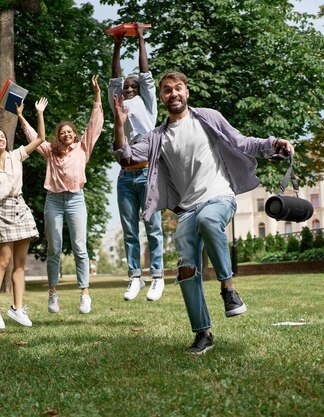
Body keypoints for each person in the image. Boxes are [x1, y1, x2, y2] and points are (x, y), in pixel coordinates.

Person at [113, 72, 294, 354]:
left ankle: (228, 290)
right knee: (186, 270)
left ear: (187, 92)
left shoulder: (208, 117)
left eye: (178, 88)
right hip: (187, 208)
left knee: (210, 221)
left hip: (219, 195)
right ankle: (202, 333)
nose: (173, 93)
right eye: (167, 90)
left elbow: (241, 142)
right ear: (161, 97)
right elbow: (125, 157)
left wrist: (273, 144)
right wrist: (119, 123)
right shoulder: (156, 137)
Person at [19, 75, 103, 314]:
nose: (66, 134)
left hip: (76, 199)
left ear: (75, 135)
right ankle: (53, 293)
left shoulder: (83, 148)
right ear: (59, 136)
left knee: (80, 247)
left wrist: (97, 95)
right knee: (54, 248)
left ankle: (85, 294)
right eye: (63, 132)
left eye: (70, 132)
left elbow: (94, 123)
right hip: (54, 200)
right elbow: (34, 137)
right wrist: (26, 115)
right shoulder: (51, 151)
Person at [0, 97, 48, 329]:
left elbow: (40, 139)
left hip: (20, 207)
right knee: (4, 260)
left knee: (20, 263)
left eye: (2, 136)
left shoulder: (15, 155)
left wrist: (35, 113)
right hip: (0, 210)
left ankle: (18, 309)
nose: (0, 138)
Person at [108, 24, 164, 302]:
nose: (129, 89)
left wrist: (140, 38)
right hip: (125, 176)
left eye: (133, 87)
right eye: (126, 87)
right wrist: (118, 43)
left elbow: (146, 73)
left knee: (153, 228)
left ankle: (157, 277)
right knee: (130, 230)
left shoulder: (149, 104)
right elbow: (115, 77)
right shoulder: (119, 104)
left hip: (147, 173)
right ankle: (134, 277)